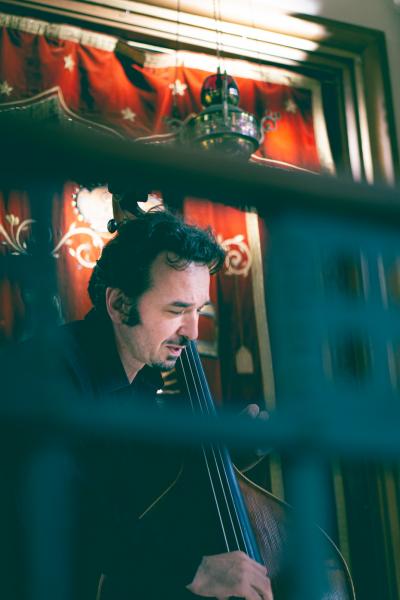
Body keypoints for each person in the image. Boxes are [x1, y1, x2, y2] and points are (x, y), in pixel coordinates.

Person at [1, 208, 273, 600]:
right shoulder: (42, 372)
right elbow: (61, 507)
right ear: (119, 304)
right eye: (177, 310)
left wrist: (229, 456)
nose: (192, 331)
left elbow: (146, 492)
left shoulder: (142, 385)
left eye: (198, 310)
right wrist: (194, 569)